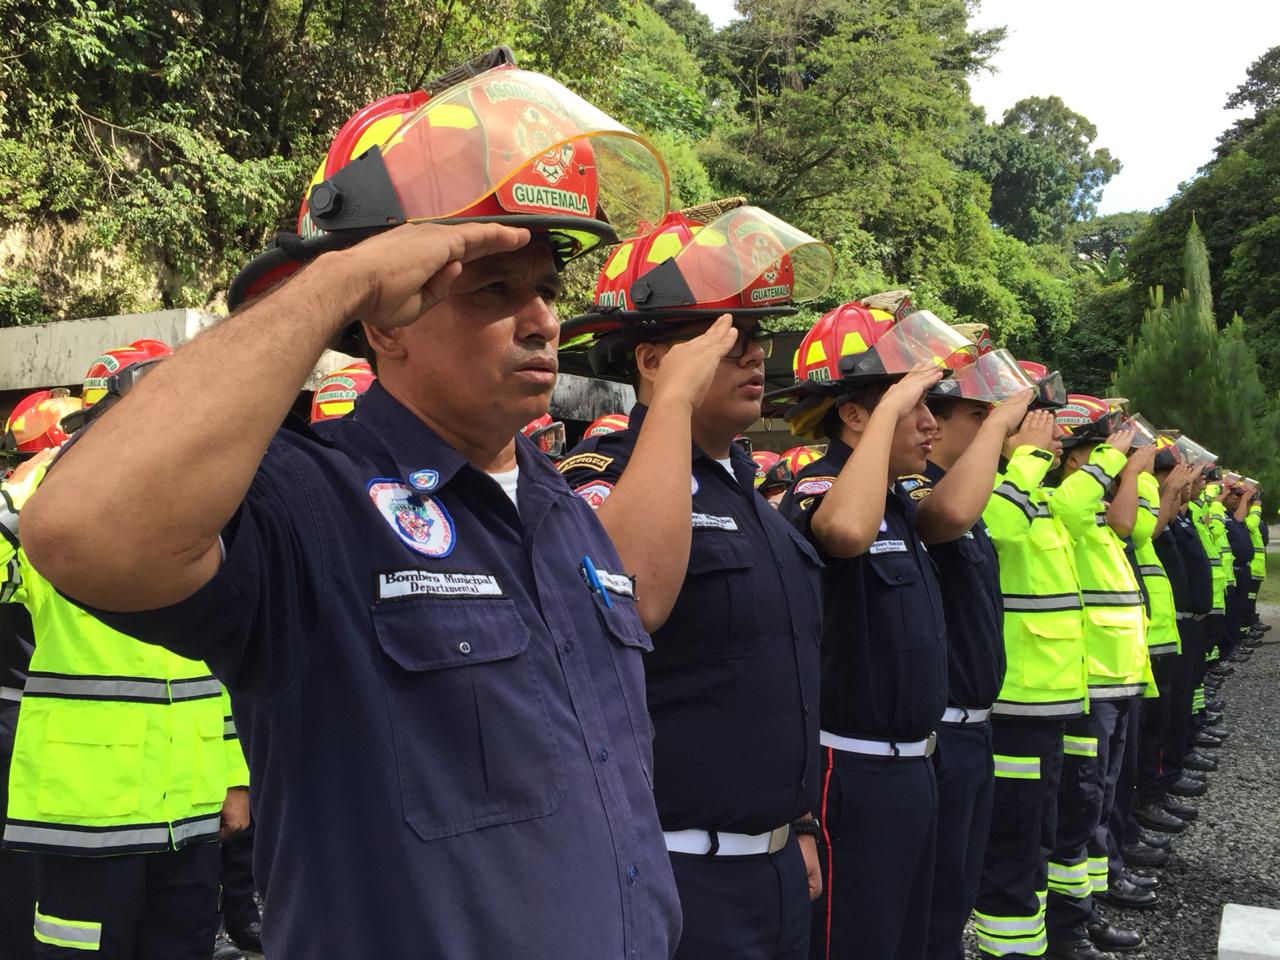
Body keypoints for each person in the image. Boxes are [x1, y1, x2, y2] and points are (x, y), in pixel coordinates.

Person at [19, 60, 683, 959]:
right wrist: (339, 277)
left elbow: (640, 617)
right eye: (493, 289)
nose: (540, 322)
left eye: (547, 291)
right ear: (387, 320)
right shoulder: (309, 500)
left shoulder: (559, 503)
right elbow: (79, 534)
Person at [557, 198, 832, 960]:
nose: (755, 355)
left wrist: (796, 827)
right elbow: (632, 601)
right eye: (726, 337)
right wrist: (673, 401)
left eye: (757, 336)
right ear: (652, 360)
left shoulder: (750, 491)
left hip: (774, 870)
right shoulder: (605, 476)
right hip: (676, 878)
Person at [1, 350, 252, 960]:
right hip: (86, 820)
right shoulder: (43, 503)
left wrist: (236, 778)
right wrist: (38, 477)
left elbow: (225, 664)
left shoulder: (213, 508)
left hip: (190, 817)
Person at [773, 304, 966, 960]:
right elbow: (843, 533)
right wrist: (889, 412)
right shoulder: (825, 488)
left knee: (907, 938)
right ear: (854, 414)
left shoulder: (894, 500)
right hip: (851, 774)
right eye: (914, 403)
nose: (930, 422)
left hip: (914, 766)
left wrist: (996, 418)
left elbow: (957, 512)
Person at [910, 348, 1036, 960]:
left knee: (956, 891)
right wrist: (1001, 424)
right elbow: (948, 517)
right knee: (931, 902)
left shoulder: (973, 497)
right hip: (939, 729)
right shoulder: (920, 492)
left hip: (975, 729)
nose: (998, 425)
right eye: (978, 414)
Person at [972, 363, 1088, 960]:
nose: (1054, 438)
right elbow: (995, 530)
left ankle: (1041, 943)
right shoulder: (994, 483)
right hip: (1015, 700)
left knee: (1041, 832)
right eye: (1039, 422)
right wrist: (1019, 455)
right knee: (1014, 845)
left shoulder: (1030, 488)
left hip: (1049, 699)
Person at [1043, 396, 1151, 959]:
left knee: (1098, 801)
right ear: (1066, 459)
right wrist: (1121, 463)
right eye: (1094, 454)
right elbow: (1088, 504)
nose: (1108, 465)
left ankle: (1085, 912)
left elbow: (1129, 523)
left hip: (1115, 681)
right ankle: (1065, 928)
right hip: (1086, 685)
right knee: (1079, 807)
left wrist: (1124, 470)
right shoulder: (1063, 504)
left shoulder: (1094, 514)